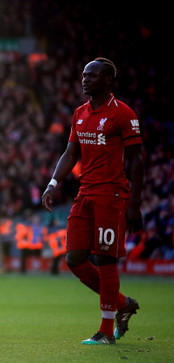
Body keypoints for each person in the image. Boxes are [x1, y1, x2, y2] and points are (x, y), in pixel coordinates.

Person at [42, 58, 143, 345]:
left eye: (92, 75)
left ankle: (106, 331)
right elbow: (70, 152)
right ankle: (122, 303)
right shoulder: (80, 113)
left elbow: (137, 160)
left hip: (112, 195)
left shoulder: (123, 114)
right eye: (84, 74)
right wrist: (52, 183)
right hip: (85, 193)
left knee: (106, 259)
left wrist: (135, 204)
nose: (85, 79)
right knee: (74, 258)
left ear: (108, 80)